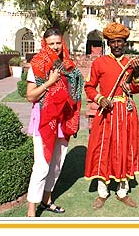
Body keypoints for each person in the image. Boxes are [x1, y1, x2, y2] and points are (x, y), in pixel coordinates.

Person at [84, 22, 139, 210]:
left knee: (125, 149)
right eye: (113, 42)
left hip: (126, 113)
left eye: (120, 41)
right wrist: (100, 98)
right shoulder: (99, 63)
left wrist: (138, 74)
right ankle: (103, 192)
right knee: (103, 149)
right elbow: (89, 87)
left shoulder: (131, 63)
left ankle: (122, 191)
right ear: (108, 43)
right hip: (107, 113)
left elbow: (137, 88)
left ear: (125, 43)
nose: (117, 45)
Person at [26, 27, 83, 217]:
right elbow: (30, 96)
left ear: (63, 42)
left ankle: (47, 200)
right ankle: (31, 211)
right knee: (42, 165)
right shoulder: (38, 64)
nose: (55, 47)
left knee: (57, 165)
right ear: (44, 44)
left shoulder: (69, 66)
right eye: (51, 43)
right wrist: (50, 82)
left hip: (63, 121)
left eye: (58, 43)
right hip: (44, 120)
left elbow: (75, 94)